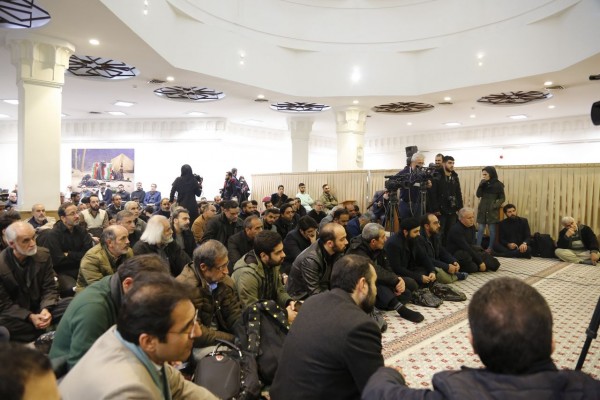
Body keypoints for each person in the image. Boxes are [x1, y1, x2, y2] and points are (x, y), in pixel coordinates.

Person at [362, 277, 600, 399]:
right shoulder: (588, 390)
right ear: (552, 344)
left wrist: (390, 373)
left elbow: (375, 391)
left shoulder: (454, 391)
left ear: (473, 343)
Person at [58, 275, 218, 400]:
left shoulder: (128, 338)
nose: (198, 333)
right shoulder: (129, 391)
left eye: (194, 320)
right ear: (149, 341)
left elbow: (179, 387)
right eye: (187, 328)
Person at [270, 255, 384, 400]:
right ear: (362, 284)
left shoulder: (311, 303)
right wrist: (391, 375)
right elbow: (378, 390)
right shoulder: (361, 325)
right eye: (374, 283)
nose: (376, 290)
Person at [50, 255, 170, 370]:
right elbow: (80, 367)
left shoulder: (122, 290)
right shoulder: (94, 309)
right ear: (128, 284)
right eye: (151, 296)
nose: (153, 302)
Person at [0, 222, 68, 343]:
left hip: (41, 307)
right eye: (26, 241)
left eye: (33, 237)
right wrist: (30, 317)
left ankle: (40, 329)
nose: (32, 243)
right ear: (12, 244)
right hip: (17, 315)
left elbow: (50, 287)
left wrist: (45, 309)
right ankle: (46, 329)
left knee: (73, 303)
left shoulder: (43, 254)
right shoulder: (2, 265)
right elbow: (4, 305)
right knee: (4, 328)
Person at [346, 223, 423, 323]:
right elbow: (374, 271)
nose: (386, 239)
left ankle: (386, 302)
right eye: (383, 237)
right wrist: (395, 280)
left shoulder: (379, 247)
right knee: (376, 282)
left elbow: (387, 268)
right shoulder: (357, 251)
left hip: (379, 280)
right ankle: (399, 308)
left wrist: (397, 283)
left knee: (410, 286)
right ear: (373, 241)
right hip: (360, 285)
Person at [176, 241, 244, 349]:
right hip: (194, 344)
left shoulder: (225, 281)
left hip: (221, 336)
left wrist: (244, 334)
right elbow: (195, 333)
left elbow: (234, 314)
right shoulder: (185, 289)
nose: (226, 271)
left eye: (226, 265)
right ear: (203, 267)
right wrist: (233, 340)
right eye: (221, 267)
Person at [232, 231, 297, 321]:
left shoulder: (272, 262)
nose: (283, 255)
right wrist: (284, 314)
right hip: (246, 319)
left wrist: (288, 302)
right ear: (263, 255)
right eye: (278, 252)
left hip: (266, 311)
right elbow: (251, 310)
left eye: (282, 250)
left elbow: (279, 290)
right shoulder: (247, 275)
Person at [36, 203, 94, 297]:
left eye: (77, 212)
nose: (77, 216)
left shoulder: (82, 231)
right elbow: (58, 260)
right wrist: (79, 255)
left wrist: (69, 254)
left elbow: (89, 253)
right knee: (72, 289)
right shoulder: (53, 234)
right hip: (63, 272)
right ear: (63, 218)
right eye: (72, 214)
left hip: (83, 267)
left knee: (97, 285)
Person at [286, 223, 347, 300]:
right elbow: (314, 292)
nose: (346, 242)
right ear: (330, 243)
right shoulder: (310, 260)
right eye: (342, 239)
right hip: (301, 297)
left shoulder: (336, 250)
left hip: (323, 290)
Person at [75, 225, 133, 292]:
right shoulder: (91, 258)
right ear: (110, 242)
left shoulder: (128, 252)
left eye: (127, 237)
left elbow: (133, 274)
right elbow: (99, 287)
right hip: (90, 293)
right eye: (123, 238)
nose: (128, 241)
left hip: (119, 289)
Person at [446, 208, 500, 273]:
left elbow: (472, 245)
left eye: (473, 217)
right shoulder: (456, 230)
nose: (472, 220)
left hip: (470, 251)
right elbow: (466, 247)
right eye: (469, 218)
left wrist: (480, 257)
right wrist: (480, 262)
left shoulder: (472, 226)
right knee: (473, 267)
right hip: (458, 253)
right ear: (461, 219)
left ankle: (479, 263)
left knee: (495, 264)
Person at [420, 213, 468, 283]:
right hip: (426, 266)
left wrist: (453, 261)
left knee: (467, 264)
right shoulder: (420, 239)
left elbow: (442, 252)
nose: (439, 225)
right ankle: (456, 276)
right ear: (427, 226)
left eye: (438, 222)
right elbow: (427, 259)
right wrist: (447, 267)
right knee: (440, 275)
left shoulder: (434, 235)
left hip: (436, 263)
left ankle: (454, 274)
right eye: (435, 223)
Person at [429, 155, 463, 245]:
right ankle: (438, 250)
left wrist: (460, 207)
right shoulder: (436, 175)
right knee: (439, 232)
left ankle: (447, 250)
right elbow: (433, 193)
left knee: (450, 232)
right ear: (444, 163)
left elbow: (458, 192)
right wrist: (435, 208)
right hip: (440, 210)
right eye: (450, 163)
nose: (452, 165)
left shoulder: (454, 176)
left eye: (453, 163)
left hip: (452, 209)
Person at [476, 166, 505, 252]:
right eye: (483, 174)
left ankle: (490, 248)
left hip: (492, 210)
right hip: (482, 208)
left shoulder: (499, 185)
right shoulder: (483, 183)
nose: (483, 176)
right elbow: (478, 195)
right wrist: (481, 185)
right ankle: (477, 247)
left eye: (485, 174)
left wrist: (495, 205)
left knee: (492, 230)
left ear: (491, 174)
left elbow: (502, 198)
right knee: (480, 229)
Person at [397, 153, 431, 219]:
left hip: (418, 205)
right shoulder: (403, 173)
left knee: (417, 224)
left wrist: (428, 184)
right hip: (405, 204)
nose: (421, 165)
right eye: (419, 163)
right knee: (404, 223)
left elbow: (428, 184)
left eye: (422, 163)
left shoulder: (423, 174)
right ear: (412, 162)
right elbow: (393, 182)